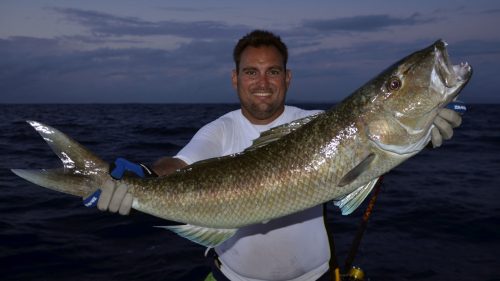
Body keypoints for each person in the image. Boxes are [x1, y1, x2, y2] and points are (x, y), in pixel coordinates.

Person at [95, 30, 463, 281]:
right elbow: (177, 167)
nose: (262, 82)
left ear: (287, 78)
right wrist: (141, 177)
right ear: (235, 79)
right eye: (250, 72)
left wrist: (423, 136)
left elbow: (369, 159)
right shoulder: (219, 130)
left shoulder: (316, 122)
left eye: (272, 71)